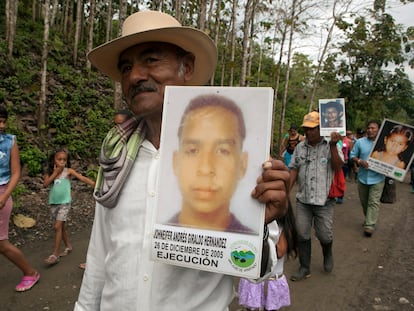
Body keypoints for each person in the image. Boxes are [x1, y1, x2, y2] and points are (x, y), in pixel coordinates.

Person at [75, 10, 290, 311]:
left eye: (150, 60)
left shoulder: (238, 166)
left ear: (186, 67)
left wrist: (259, 225)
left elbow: (262, 270)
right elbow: (100, 254)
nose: (135, 76)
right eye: (126, 67)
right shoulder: (116, 158)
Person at [169, 94, 252, 233]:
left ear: (242, 164)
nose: (206, 169)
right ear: (176, 162)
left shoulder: (251, 245)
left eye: (223, 151)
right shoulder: (153, 236)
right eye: (193, 150)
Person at [289, 111, 344, 281]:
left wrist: (334, 146)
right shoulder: (300, 147)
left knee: (324, 234)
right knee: (302, 234)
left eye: (313, 129)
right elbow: (293, 169)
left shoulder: (331, 145)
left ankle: (327, 253)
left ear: (322, 129)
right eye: (306, 129)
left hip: (324, 202)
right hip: (303, 200)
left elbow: (338, 166)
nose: (308, 132)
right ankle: (305, 267)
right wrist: (285, 192)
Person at [0, 105, 40, 292]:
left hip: (2, 192)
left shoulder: (9, 142)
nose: (1, 125)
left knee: (1, 242)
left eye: (3, 121)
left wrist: (5, 196)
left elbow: (16, 173)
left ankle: (30, 273)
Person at [237, 201, 297, 310]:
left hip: (272, 280)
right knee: (251, 308)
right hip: (253, 279)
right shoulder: (253, 225)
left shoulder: (283, 228)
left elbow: (279, 252)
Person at [43, 148, 95, 265]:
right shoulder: (50, 173)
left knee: (57, 227)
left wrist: (94, 184)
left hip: (65, 203)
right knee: (62, 227)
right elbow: (45, 184)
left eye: (64, 160)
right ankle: (68, 246)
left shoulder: (68, 171)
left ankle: (55, 255)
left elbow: (82, 177)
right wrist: (55, 173)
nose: (62, 162)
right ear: (54, 160)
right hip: (53, 203)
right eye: (59, 159)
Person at [350, 120, 385, 237]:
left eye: (373, 128)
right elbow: (352, 156)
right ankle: (369, 219)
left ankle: (370, 225)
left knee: (373, 202)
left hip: (378, 178)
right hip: (362, 177)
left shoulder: (385, 143)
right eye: (369, 128)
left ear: (379, 130)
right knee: (364, 202)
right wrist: (359, 161)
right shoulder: (360, 142)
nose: (370, 130)